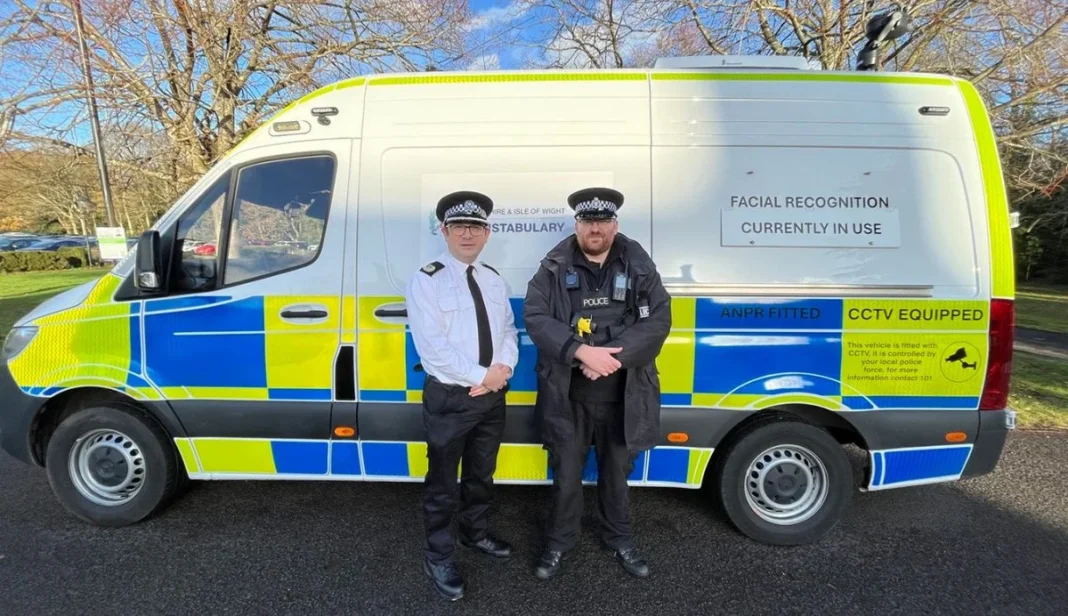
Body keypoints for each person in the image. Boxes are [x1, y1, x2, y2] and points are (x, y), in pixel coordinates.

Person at [523, 186, 671, 580]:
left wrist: (608, 359)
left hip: (624, 395)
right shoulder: (553, 266)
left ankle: (620, 539)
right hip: (567, 396)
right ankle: (558, 543)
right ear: (577, 225)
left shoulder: (638, 265)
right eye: (588, 221)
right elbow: (536, 317)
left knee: (616, 475)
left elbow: (658, 320)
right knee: (567, 476)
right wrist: (580, 352)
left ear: (614, 225)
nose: (596, 228)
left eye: (603, 221)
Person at [405, 190, 519, 601]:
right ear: (444, 231)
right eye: (458, 227)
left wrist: (502, 371)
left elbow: (507, 330)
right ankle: (438, 555)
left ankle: (475, 533)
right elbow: (432, 347)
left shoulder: (492, 278)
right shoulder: (426, 278)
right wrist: (481, 376)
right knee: (441, 483)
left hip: (490, 395)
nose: (467, 234)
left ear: (487, 233)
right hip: (452, 398)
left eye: (475, 227)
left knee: (480, 474)